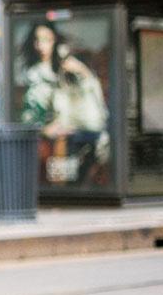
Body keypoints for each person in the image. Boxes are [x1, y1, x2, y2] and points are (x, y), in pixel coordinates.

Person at [19, 21, 109, 184]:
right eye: (37, 40)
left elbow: (92, 97)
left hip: (81, 133)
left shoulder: (65, 68)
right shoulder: (34, 75)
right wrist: (45, 129)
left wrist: (83, 71)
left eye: (47, 39)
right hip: (55, 142)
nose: (41, 46)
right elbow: (28, 116)